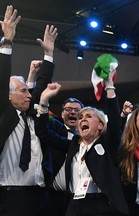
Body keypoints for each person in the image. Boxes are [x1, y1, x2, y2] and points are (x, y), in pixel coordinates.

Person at [35, 71, 129, 216]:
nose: (82, 119)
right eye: (81, 117)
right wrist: (43, 101)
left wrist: (109, 86)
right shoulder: (73, 144)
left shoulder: (107, 144)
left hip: (101, 206)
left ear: (100, 126)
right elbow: (43, 133)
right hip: (74, 204)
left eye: (89, 116)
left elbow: (115, 125)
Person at [0, 5, 58, 216]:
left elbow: (42, 87)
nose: (28, 95)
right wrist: (7, 41)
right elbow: (2, 77)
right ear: (8, 96)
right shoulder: (5, 115)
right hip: (11, 196)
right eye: (23, 91)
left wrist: (48, 54)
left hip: (41, 196)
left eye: (28, 91)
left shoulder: (34, 117)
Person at [47, 97, 84, 216]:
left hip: (82, 197)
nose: (73, 112)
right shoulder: (54, 128)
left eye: (77, 109)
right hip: (55, 197)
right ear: (62, 114)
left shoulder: (90, 138)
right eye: (68, 109)